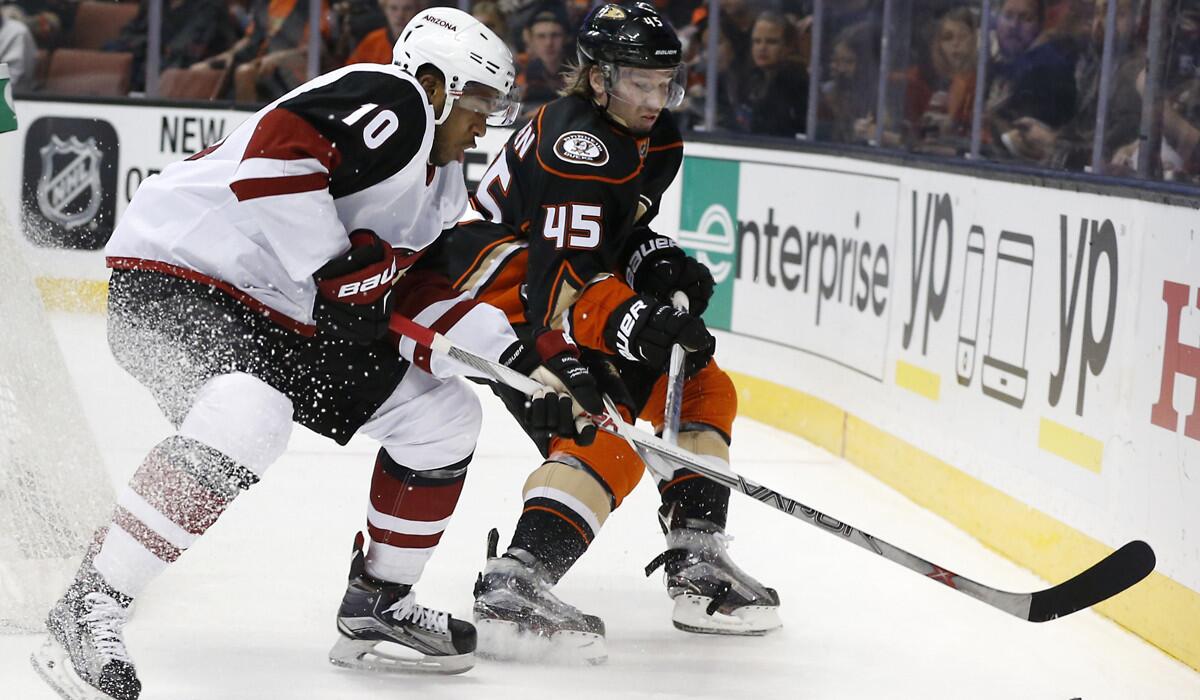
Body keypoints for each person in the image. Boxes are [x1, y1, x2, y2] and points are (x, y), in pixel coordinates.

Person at [31, 9, 600, 700]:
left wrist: (525, 367)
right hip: (179, 276)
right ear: (434, 83)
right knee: (249, 416)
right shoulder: (394, 100)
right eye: (478, 103)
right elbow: (276, 154)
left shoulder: (440, 185)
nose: (484, 124)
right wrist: (335, 262)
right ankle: (89, 607)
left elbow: (410, 295)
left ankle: (377, 606)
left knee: (442, 419)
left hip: (282, 315)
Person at [422, 1, 781, 664]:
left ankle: (697, 559)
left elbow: (608, 235)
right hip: (501, 294)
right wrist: (643, 323)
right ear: (599, 80)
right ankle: (517, 580)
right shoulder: (577, 146)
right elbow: (561, 284)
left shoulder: (656, 137)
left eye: (665, 82)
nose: (656, 98)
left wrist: (653, 257)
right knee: (602, 426)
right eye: (640, 83)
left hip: (557, 286)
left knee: (703, 389)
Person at [344, 0, 425, 65]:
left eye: (408, 8)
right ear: (384, 10)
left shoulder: (424, 43)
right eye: (393, 8)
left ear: (418, 10)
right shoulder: (372, 41)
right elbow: (350, 70)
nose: (400, 15)